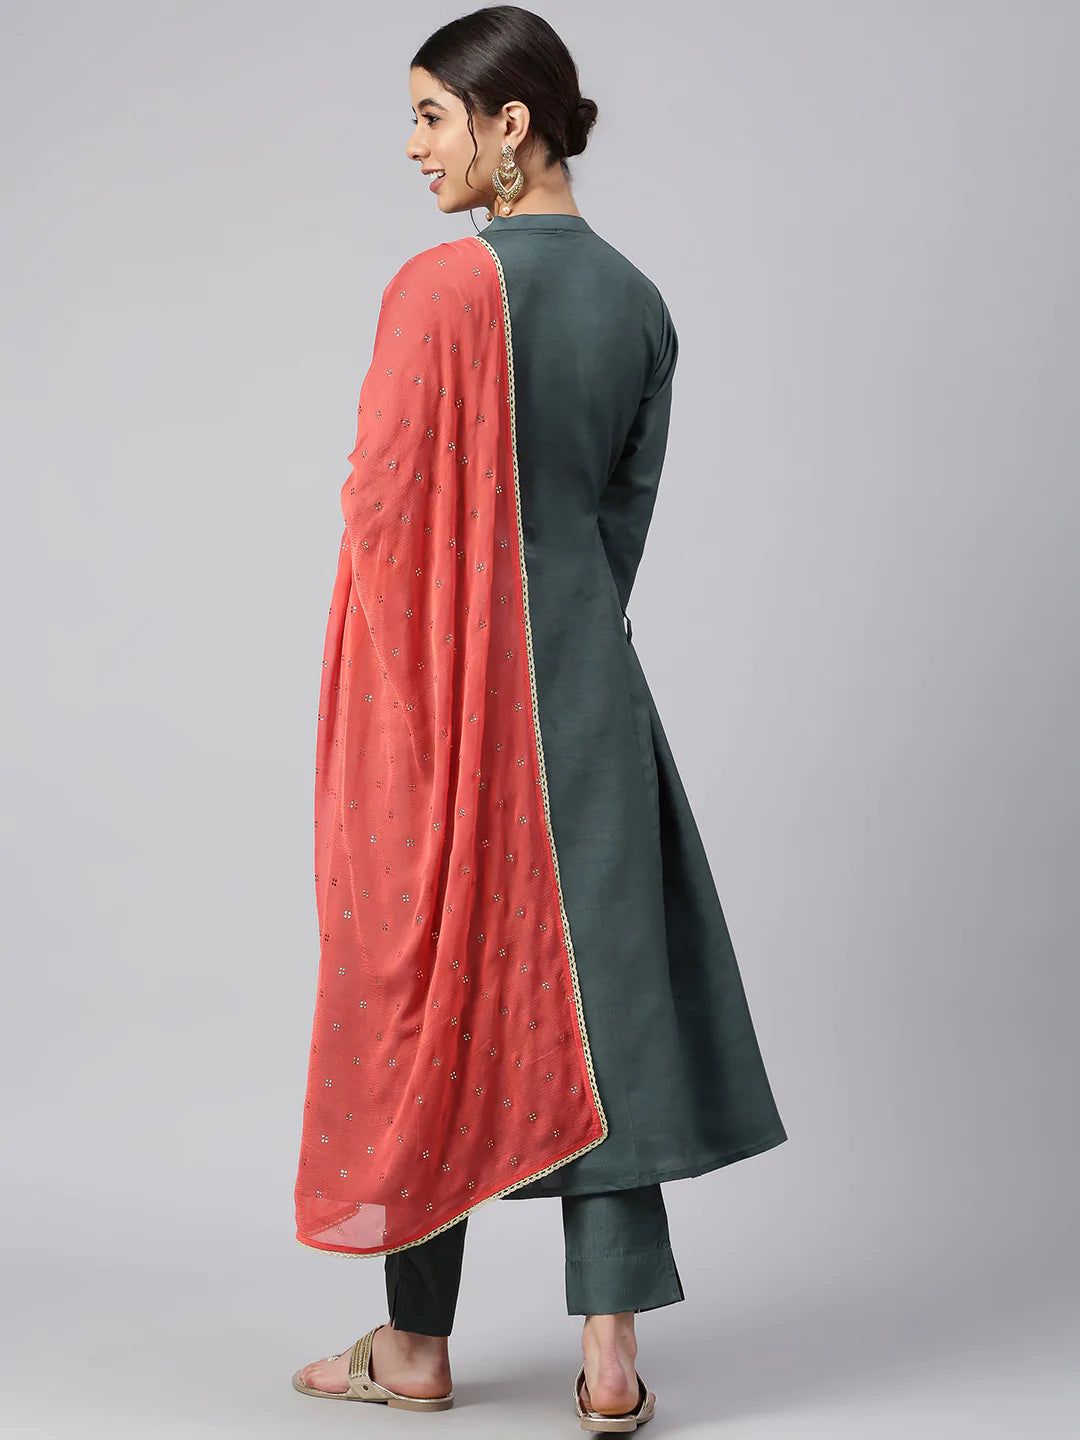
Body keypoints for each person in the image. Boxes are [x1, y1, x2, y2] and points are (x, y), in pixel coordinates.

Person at [291, 6, 787, 1429]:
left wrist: (403, 706)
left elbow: (382, 513)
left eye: (431, 116)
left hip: (448, 703)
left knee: (426, 993)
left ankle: (415, 1349)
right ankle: (612, 1360)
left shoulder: (440, 289)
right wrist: (561, 645)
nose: (413, 146)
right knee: (601, 1002)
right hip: (588, 694)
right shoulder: (641, 304)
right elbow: (621, 527)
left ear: (511, 125)